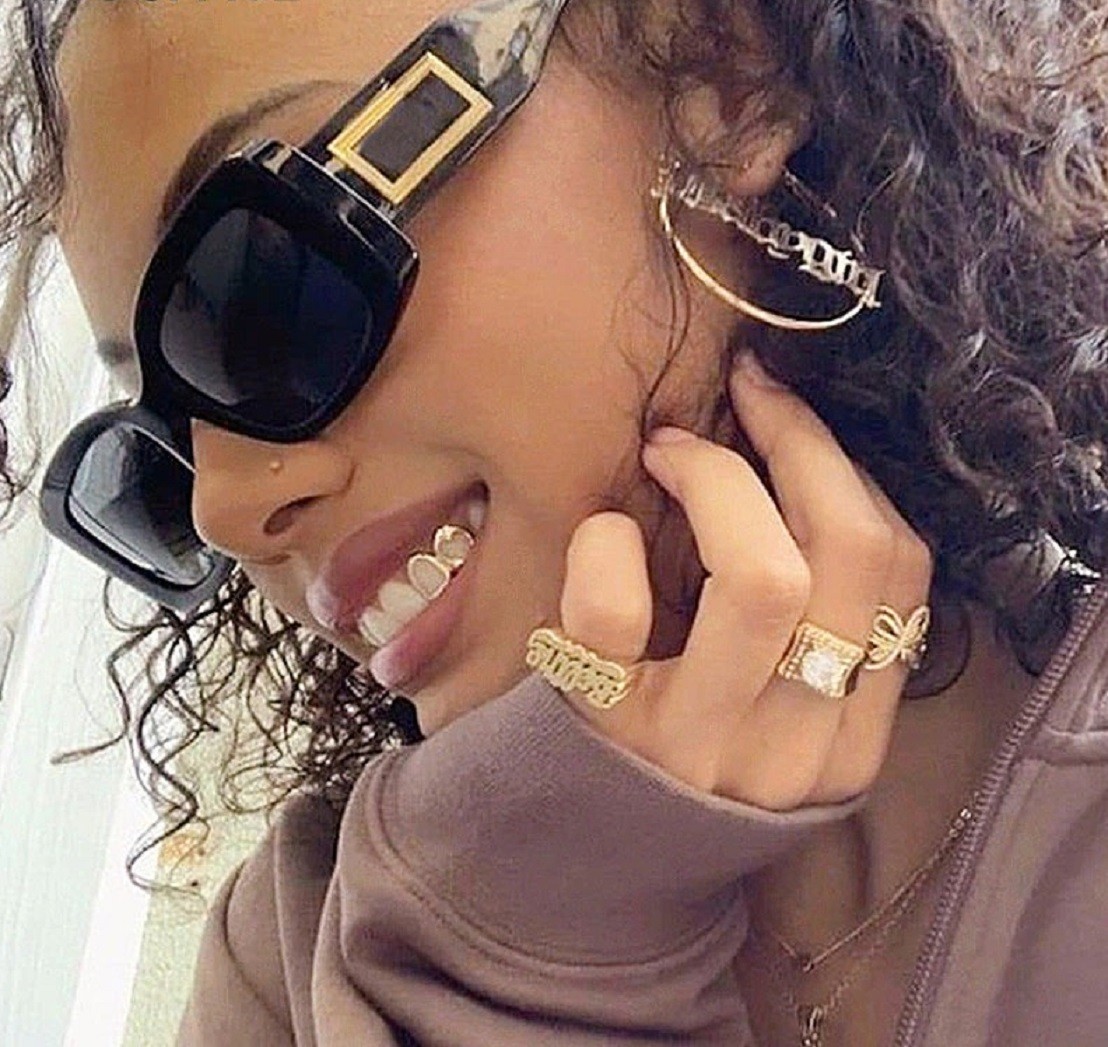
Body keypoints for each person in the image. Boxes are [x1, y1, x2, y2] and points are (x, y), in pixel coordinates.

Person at [2, 0, 1107, 1043]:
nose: (225, 505)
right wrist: (539, 956)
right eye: (160, 445)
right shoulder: (291, 961)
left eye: (263, 293)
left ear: (724, 82)